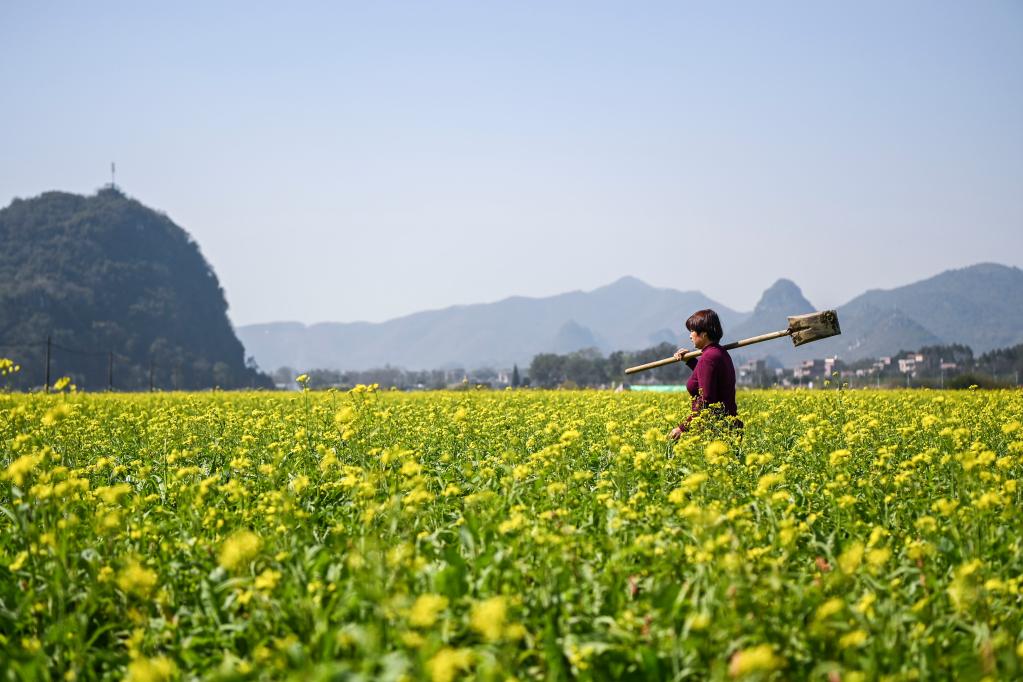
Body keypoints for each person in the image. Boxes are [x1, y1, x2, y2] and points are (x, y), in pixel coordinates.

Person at [669, 309, 741, 439]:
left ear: (703, 334)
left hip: (715, 431)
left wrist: (683, 428)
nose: (690, 336)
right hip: (726, 427)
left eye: (692, 331)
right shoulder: (718, 353)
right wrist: (690, 361)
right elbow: (708, 376)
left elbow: (706, 400)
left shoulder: (709, 357)